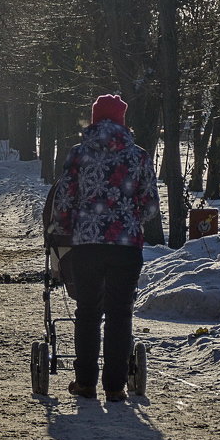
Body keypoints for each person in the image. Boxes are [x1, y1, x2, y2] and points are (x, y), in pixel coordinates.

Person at [51, 94, 159, 403]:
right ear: (124, 122)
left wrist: (65, 228)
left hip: (86, 244)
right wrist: (128, 216)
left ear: (94, 119)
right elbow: (150, 205)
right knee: (119, 313)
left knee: (87, 311)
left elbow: (65, 200)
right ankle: (115, 386)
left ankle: (85, 382)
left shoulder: (77, 154)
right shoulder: (138, 156)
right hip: (126, 246)